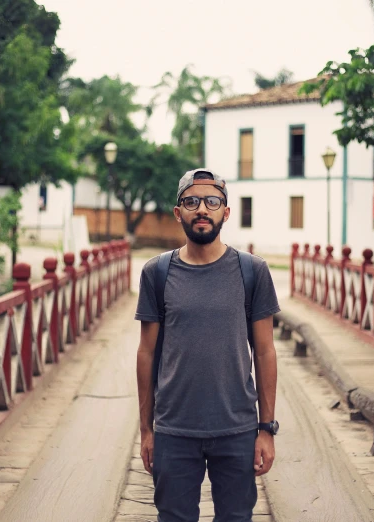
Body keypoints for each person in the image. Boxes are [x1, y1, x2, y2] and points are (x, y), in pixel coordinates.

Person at [135, 169, 280, 522]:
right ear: (178, 212)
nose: (202, 209)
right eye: (192, 201)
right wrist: (146, 430)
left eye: (212, 201)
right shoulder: (157, 272)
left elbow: (264, 352)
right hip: (174, 429)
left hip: (237, 429)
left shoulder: (252, 271)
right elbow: (146, 353)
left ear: (225, 212)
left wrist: (266, 429)